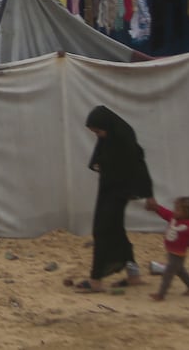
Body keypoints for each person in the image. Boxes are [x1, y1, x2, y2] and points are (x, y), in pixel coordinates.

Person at [78, 106, 153, 292]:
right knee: (117, 233)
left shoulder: (124, 140)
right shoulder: (109, 140)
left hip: (119, 192)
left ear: (108, 127)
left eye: (98, 131)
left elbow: (139, 166)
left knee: (102, 232)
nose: (98, 136)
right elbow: (103, 161)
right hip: (108, 191)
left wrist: (149, 195)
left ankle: (96, 280)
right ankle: (133, 275)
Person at [145, 196, 189, 300]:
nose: (175, 211)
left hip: (178, 254)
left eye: (178, 209)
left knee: (168, 273)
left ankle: (161, 294)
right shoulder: (173, 218)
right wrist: (156, 208)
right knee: (180, 271)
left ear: (187, 212)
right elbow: (164, 213)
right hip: (171, 251)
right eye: (175, 208)